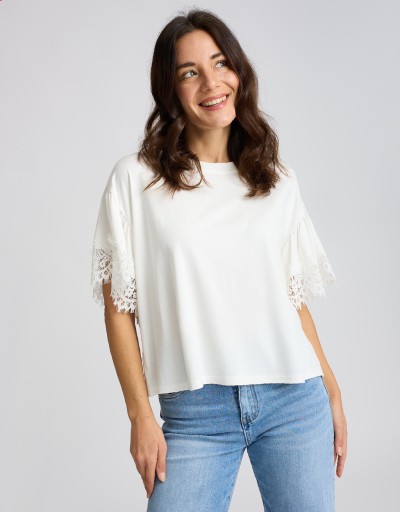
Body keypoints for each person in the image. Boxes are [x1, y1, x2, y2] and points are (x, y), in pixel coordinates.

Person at [90, 8, 347, 512]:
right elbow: (119, 310)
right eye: (190, 72)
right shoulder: (136, 180)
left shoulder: (277, 180)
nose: (211, 83)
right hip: (195, 415)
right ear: (170, 90)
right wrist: (139, 415)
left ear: (239, 71)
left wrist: (332, 391)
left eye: (221, 63)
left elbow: (292, 300)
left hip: (295, 402)